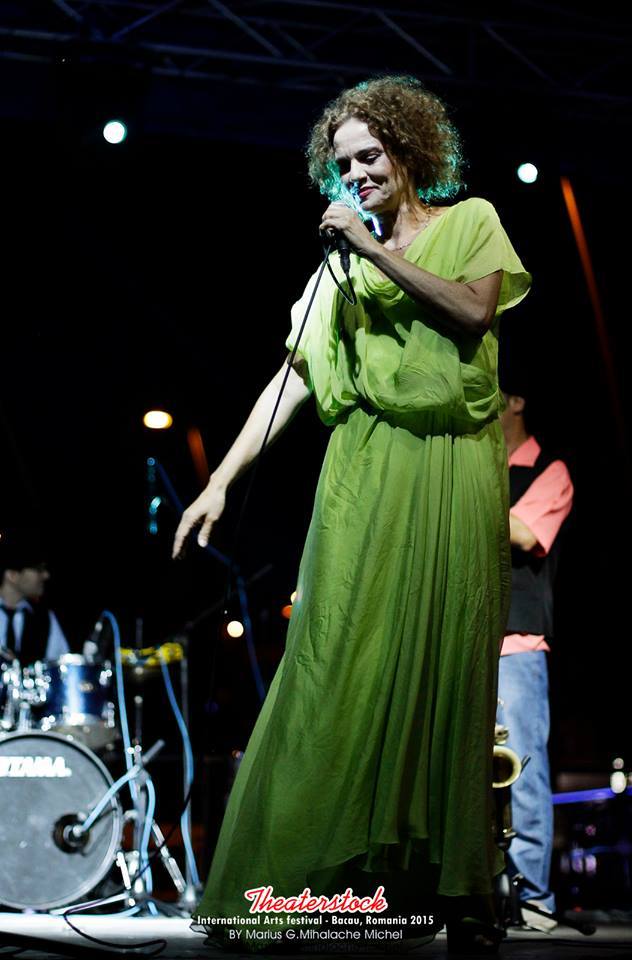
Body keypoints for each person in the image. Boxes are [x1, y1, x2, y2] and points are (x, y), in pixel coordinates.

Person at [174, 76, 531, 954]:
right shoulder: (338, 270)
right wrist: (219, 481)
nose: (356, 174)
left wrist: (371, 250)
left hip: (453, 468)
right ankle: (289, 889)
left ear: (408, 151)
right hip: (365, 473)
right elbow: (293, 379)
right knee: (334, 663)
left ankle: (456, 893)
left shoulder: (470, 220)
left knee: (448, 673)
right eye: (342, 165)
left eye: (369, 156)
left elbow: (472, 310)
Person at [497, 387, 573, 931]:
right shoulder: (474, 463)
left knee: (521, 771)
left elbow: (522, 533)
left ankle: (533, 899)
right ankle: (471, 896)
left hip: (517, 644)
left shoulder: (550, 469)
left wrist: (455, 495)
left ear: (517, 401)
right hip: (464, 642)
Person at [0, 532, 69, 664]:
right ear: (12, 575)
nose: (46, 575)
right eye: (39, 569)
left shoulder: (44, 618)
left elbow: (62, 665)